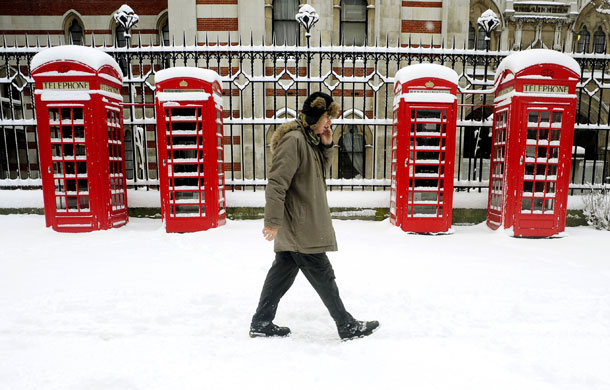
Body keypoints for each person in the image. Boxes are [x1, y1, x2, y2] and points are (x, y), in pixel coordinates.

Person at [249, 91, 380, 341]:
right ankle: (346, 325)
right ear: (314, 117)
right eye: (326, 118)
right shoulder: (294, 141)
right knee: (323, 274)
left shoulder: (309, 139)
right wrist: (272, 222)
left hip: (301, 222)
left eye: (331, 118)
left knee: (281, 274)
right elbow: (277, 183)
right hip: (301, 224)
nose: (329, 122)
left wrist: (327, 145)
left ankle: (261, 322)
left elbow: (317, 171)